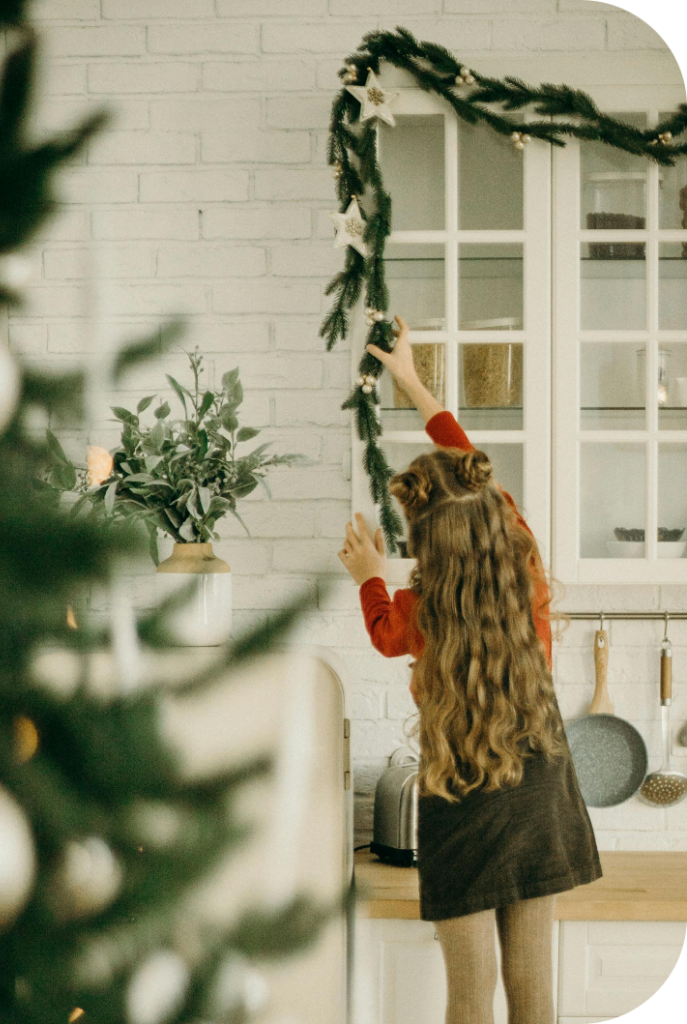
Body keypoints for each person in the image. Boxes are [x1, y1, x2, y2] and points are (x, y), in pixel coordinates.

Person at [338, 316, 601, 1024]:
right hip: (539, 785)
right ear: (492, 513)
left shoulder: (421, 611)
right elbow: (467, 462)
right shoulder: (526, 568)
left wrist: (369, 575)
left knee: (469, 990)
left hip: (460, 792)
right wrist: (415, 384)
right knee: (532, 987)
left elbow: (383, 635)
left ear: (426, 543)